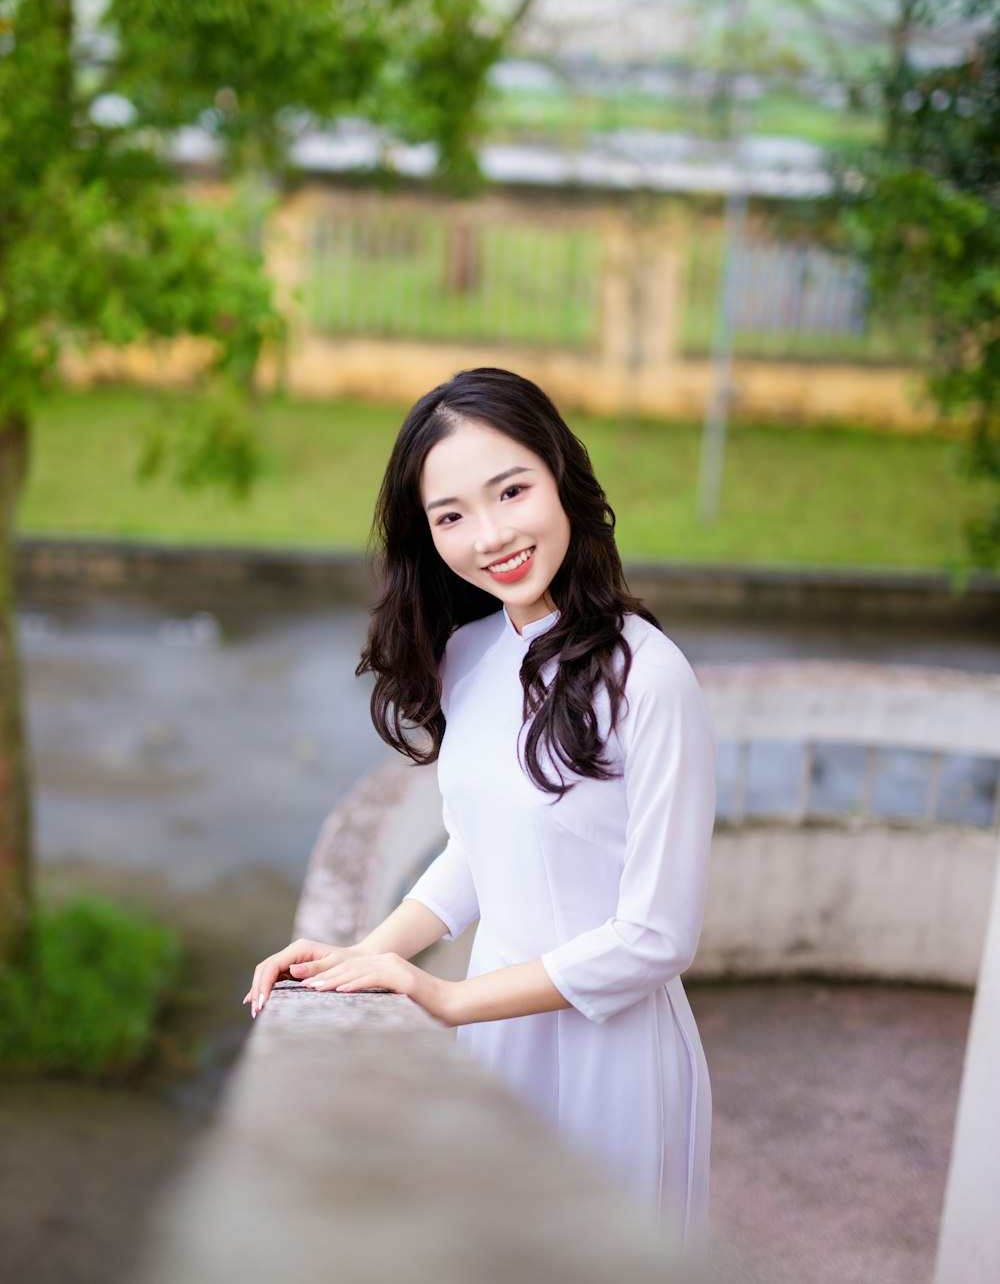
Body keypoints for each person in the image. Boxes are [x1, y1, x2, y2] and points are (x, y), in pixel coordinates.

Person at [245, 367, 716, 1242]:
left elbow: (657, 938)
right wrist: (363, 955)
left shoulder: (652, 679)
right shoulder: (466, 655)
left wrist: (450, 998)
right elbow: (481, 847)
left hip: (610, 1060)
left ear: (563, 478)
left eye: (512, 491)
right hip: (500, 1048)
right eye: (451, 514)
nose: (491, 535)